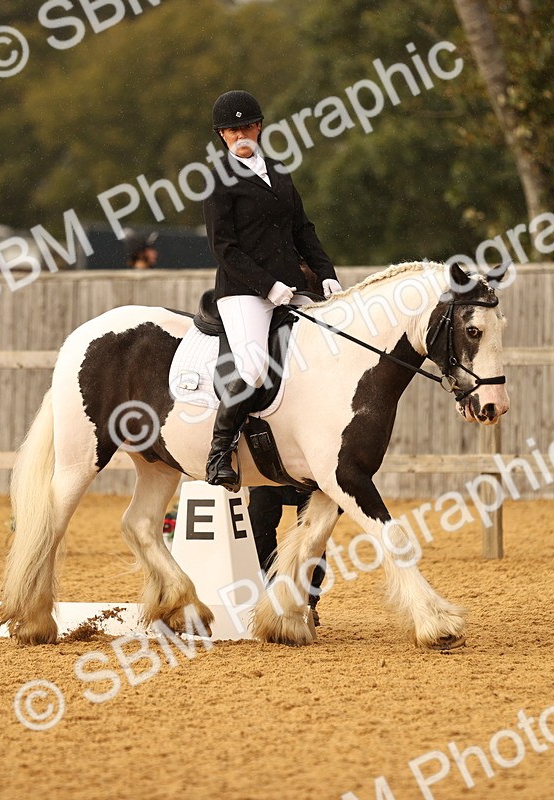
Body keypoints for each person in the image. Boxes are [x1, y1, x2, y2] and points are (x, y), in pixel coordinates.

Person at [201, 89, 343, 488]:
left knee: (324, 349)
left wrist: (325, 271)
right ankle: (219, 452)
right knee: (253, 366)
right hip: (244, 291)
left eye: (247, 126)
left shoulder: (279, 172)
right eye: (232, 130)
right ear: (222, 136)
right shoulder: (218, 182)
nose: (241, 134)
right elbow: (223, 247)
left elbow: (302, 229)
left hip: (291, 285)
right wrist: (267, 286)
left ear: (259, 126)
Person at [249, 485, 328, 625]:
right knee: (258, 522)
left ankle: (309, 598)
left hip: (309, 473)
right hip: (266, 473)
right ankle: (271, 593)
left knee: (313, 534)